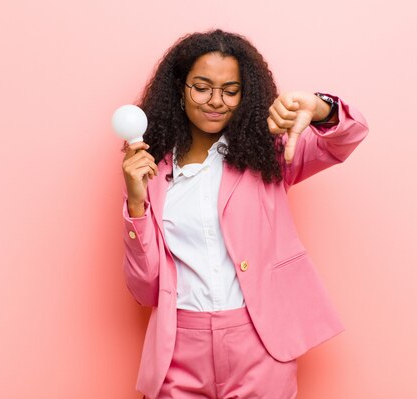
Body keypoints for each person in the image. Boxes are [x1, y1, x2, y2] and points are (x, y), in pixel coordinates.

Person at [120, 29, 369, 399]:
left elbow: (348, 137)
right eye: (202, 87)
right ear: (179, 88)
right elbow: (145, 288)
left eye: (230, 90)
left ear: (245, 93)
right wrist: (136, 204)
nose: (216, 101)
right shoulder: (150, 169)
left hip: (260, 341)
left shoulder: (270, 152)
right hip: (177, 348)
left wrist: (321, 108)